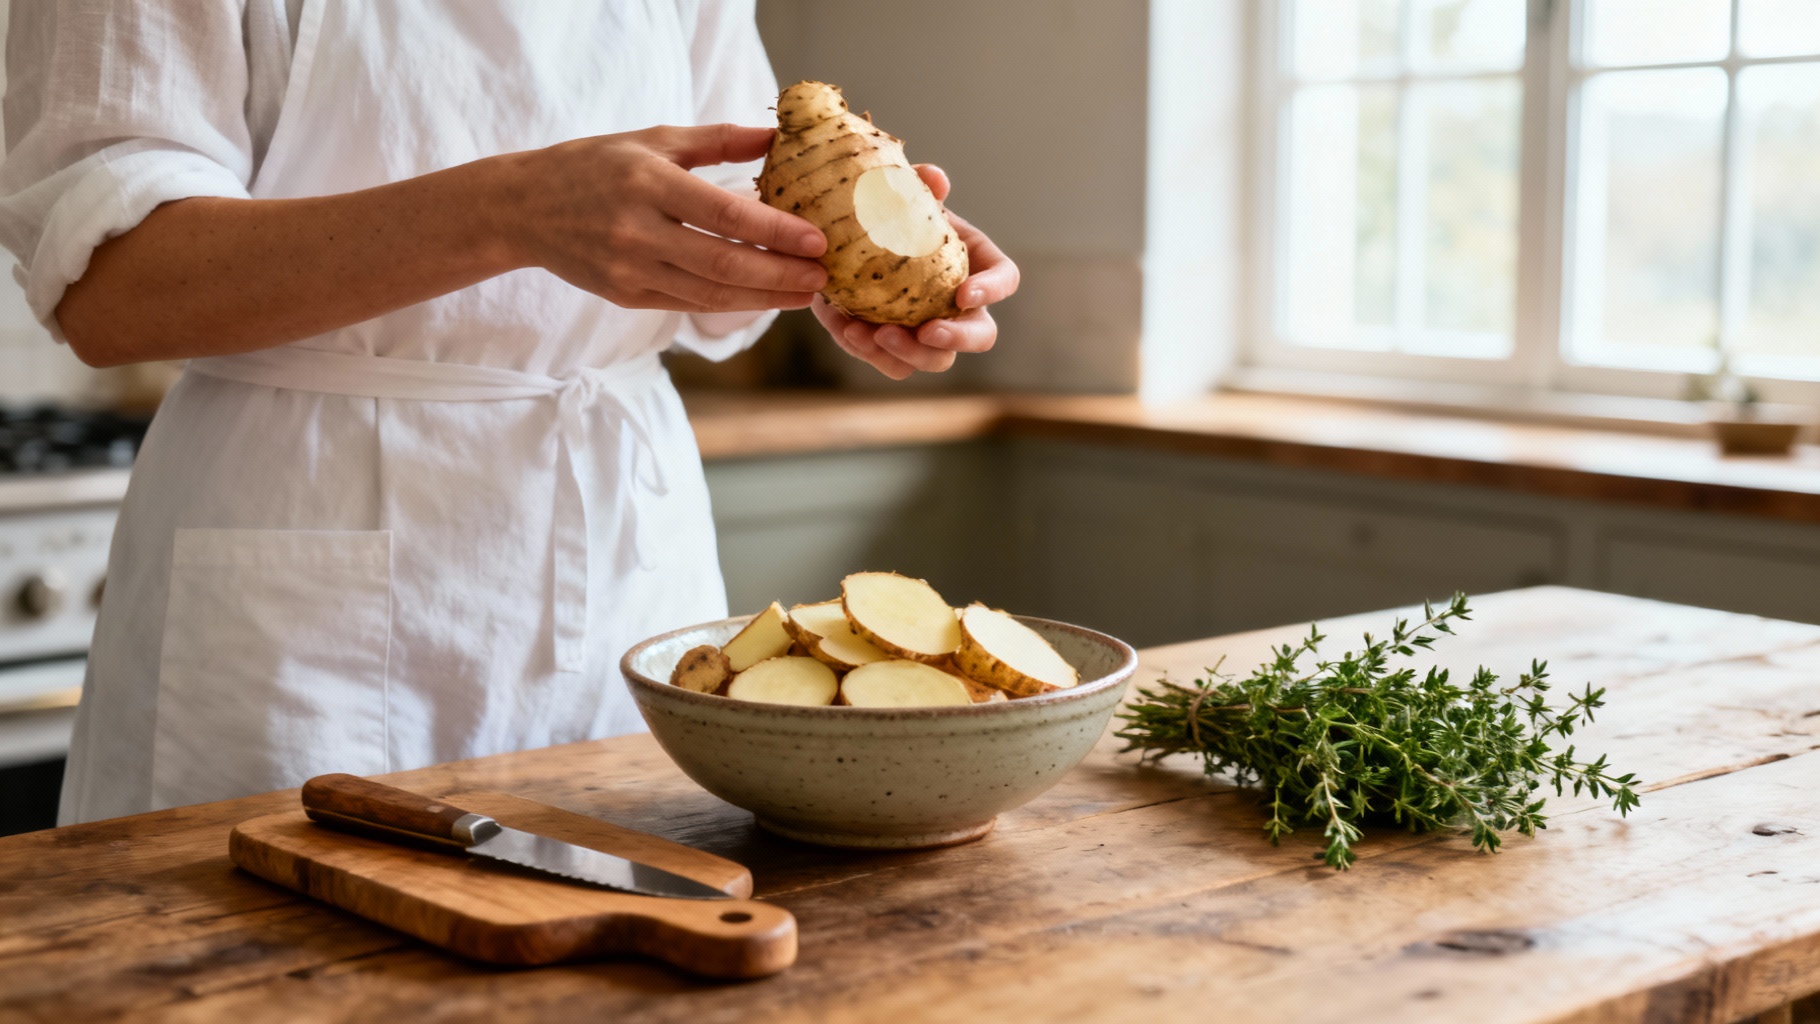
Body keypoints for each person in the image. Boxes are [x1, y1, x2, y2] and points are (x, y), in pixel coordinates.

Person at [0, 2, 1018, 824]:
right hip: (302, 577)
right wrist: (512, 210)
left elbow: (725, 204)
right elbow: (112, 283)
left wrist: (846, 259)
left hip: (627, 554)